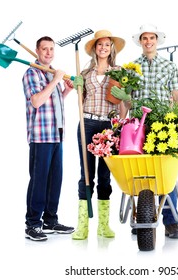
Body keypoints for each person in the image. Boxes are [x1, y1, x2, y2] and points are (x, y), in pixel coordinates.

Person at [112, 24, 178, 239]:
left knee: (165, 172)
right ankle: (140, 218)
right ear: (141, 41)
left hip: (162, 124)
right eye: (144, 38)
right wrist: (120, 120)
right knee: (139, 170)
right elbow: (126, 100)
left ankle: (171, 223)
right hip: (137, 126)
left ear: (157, 40)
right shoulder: (132, 67)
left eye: (151, 37)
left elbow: (177, 96)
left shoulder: (169, 67)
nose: (148, 41)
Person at [72, 30, 128, 240]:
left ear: (111, 48)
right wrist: (77, 87)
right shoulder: (85, 73)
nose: (103, 48)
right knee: (86, 174)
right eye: (100, 45)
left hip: (109, 126)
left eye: (107, 45)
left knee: (105, 176)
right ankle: (82, 226)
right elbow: (81, 99)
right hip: (86, 122)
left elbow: (124, 108)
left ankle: (103, 226)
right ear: (95, 48)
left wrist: (124, 99)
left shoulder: (119, 72)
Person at [22, 36, 75, 241]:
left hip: (57, 135)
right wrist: (55, 80)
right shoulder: (31, 74)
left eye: (51, 49)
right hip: (40, 137)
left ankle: (50, 221)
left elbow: (53, 101)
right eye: (44, 49)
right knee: (39, 180)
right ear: (37, 51)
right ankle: (33, 224)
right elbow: (36, 101)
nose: (49, 53)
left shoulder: (50, 74)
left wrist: (66, 90)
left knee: (55, 180)